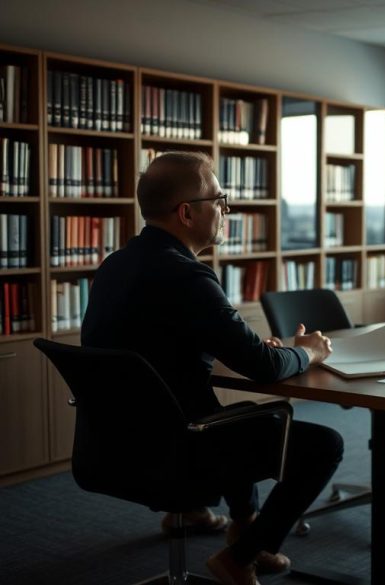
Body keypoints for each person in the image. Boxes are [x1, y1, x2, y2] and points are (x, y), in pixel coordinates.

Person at [81, 151, 341, 585]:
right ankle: (241, 555)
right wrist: (309, 352)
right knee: (323, 444)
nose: (225, 210)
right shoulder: (188, 277)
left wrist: (250, 346)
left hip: (113, 445)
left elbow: (160, 343)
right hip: (179, 447)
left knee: (233, 416)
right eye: (220, 200)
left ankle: (214, 518)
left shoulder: (116, 265)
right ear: (186, 213)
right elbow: (261, 367)